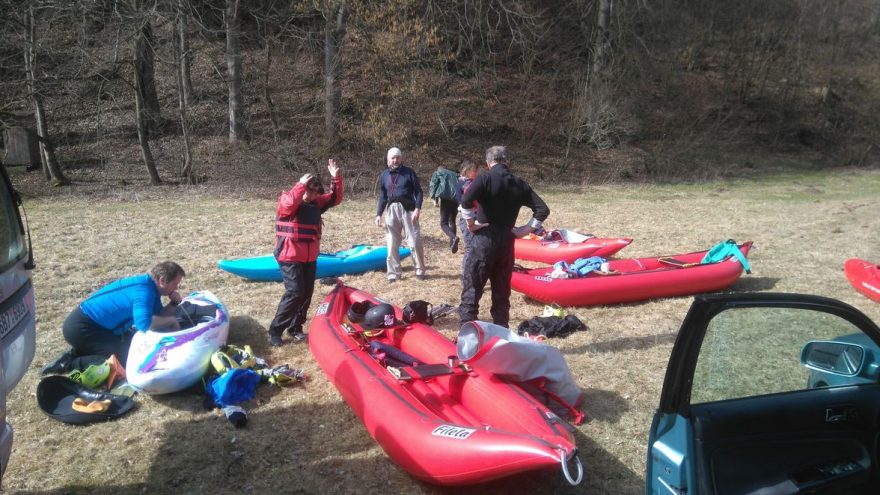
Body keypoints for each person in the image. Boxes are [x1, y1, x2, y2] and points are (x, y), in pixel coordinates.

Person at [459, 146, 549, 328]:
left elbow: (465, 201)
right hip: (507, 243)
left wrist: (470, 224)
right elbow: (542, 209)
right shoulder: (519, 183)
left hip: (484, 241)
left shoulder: (484, 178)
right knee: (501, 294)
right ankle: (501, 336)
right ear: (507, 161)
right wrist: (527, 229)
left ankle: (467, 339)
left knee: (472, 291)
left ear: (488, 162)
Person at [42, 261, 186, 374]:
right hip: (81, 327)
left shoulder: (149, 287)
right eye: (175, 284)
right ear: (162, 280)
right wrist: (171, 321)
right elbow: (144, 324)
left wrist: (173, 303)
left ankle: (81, 350)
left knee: (131, 350)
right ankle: (68, 363)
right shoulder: (143, 292)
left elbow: (158, 317)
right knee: (125, 362)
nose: (176, 288)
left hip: (95, 326)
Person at [268, 159, 343, 346]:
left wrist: (336, 178)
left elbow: (334, 198)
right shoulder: (288, 199)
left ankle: (295, 327)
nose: (311, 196)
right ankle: (276, 330)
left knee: (307, 293)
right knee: (295, 292)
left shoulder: (315, 203)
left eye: (314, 193)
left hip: (309, 256)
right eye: (309, 192)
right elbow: (289, 204)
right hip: (289, 255)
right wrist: (301, 185)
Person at [375, 147, 427, 282]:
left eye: (397, 157)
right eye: (393, 157)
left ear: (401, 158)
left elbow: (419, 192)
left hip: (409, 210)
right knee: (391, 243)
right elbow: (383, 196)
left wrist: (417, 208)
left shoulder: (409, 172)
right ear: (388, 159)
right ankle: (393, 273)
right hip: (391, 211)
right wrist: (379, 214)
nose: (395, 160)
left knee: (414, 241)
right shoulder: (384, 175)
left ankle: (420, 270)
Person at [428, 164, 461, 253]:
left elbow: (434, 185)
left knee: (443, 223)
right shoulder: (455, 174)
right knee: (452, 221)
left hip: (446, 199)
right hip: (456, 199)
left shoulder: (439, 173)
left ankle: (454, 238)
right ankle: (452, 244)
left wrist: (434, 200)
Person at [454, 159, 478, 257]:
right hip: (467, 216)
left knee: (477, 244)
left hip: (477, 215)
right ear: (467, 170)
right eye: (474, 170)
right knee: (470, 245)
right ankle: (467, 270)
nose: (476, 172)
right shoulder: (461, 183)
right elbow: (460, 199)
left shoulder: (475, 182)